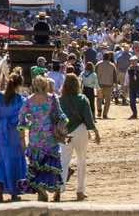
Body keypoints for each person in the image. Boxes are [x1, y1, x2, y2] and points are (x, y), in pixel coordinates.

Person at [18, 75, 65, 202]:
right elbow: (61, 115)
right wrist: (62, 127)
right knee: (52, 165)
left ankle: (41, 191)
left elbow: (21, 119)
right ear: (46, 85)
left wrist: (25, 132)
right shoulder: (52, 98)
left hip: (35, 138)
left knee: (36, 166)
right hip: (50, 137)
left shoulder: (28, 100)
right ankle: (56, 191)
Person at [0, 73, 26, 204]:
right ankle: (14, 193)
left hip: (1, 131)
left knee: (1, 161)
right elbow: (22, 121)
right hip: (14, 133)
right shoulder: (20, 99)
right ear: (19, 85)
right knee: (16, 161)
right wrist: (23, 138)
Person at [59, 72, 99, 202]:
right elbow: (88, 118)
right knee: (81, 161)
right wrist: (96, 132)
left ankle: (59, 190)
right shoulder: (82, 99)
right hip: (80, 131)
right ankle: (80, 192)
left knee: (63, 161)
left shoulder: (60, 100)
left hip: (65, 132)